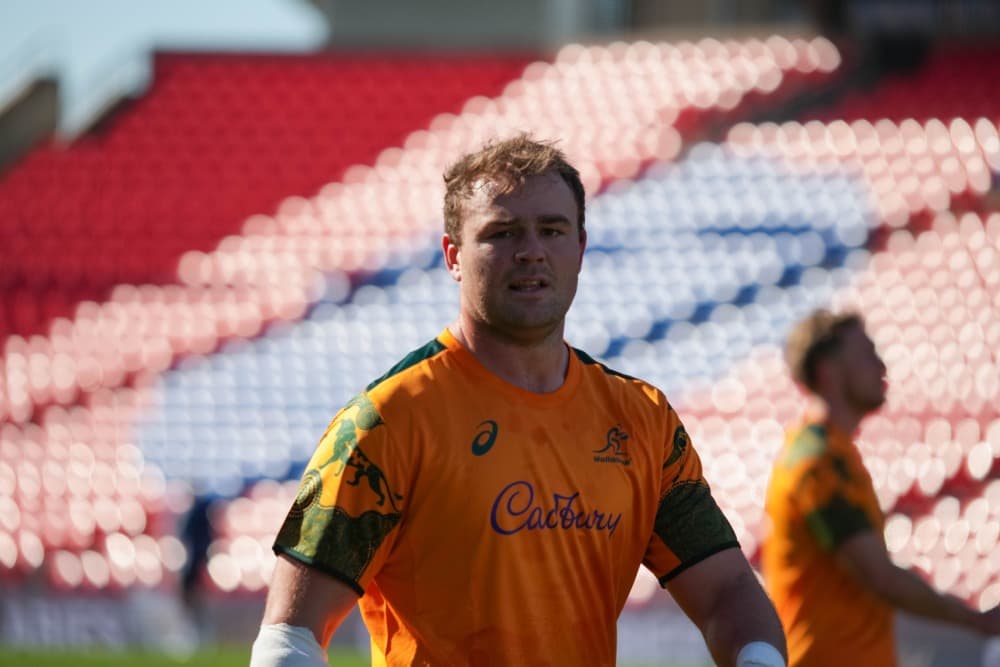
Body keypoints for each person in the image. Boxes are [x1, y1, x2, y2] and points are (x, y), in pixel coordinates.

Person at [250, 134, 787, 667]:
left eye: (552, 230)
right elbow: (289, 637)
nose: (531, 250)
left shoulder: (642, 419)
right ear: (453, 256)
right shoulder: (388, 420)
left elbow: (727, 592)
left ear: (580, 248)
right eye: (502, 233)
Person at [762, 309, 1000, 666]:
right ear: (828, 372)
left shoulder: (834, 454)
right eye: (867, 354)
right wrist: (975, 620)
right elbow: (879, 577)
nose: (882, 367)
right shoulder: (817, 464)